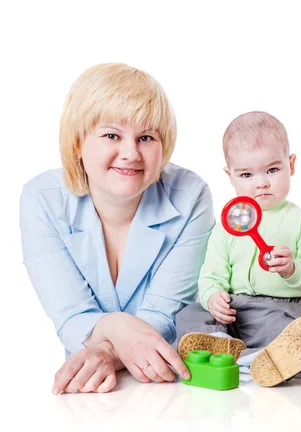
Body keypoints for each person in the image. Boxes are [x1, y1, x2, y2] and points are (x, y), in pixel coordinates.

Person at [19, 63, 215, 394]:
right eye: (111, 135)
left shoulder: (191, 195)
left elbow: (166, 315)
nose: (130, 153)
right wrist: (117, 328)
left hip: (168, 387)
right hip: (88, 390)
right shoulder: (41, 198)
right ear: (78, 143)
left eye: (146, 137)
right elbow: (70, 316)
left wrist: (108, 347)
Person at [175, 111, 301, 387]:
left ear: (291, 165)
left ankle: (263, 362)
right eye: (246, 174)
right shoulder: (228, 225)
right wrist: (213, 298)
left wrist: (293, 270)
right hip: (234, 310)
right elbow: (211, 275)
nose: (261, 182)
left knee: (296, 330)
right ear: (229, 176)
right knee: (190, 313)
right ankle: (223, 346)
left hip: (281, 308)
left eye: (272, 170)